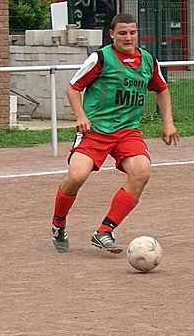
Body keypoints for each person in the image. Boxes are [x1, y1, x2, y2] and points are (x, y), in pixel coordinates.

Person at [51, 13, 180, 254]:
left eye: (132, 32)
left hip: (127, 131)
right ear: (112, 34)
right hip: (96, 130)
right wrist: (81, 116)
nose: (128, 37)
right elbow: (73, 87)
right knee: (77, 176)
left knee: (141, 172)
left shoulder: (148, 60)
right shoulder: (101, 58)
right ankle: (58, 223)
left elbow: (162, 89)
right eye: (122, 33)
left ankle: (105, 231)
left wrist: (168, 123)